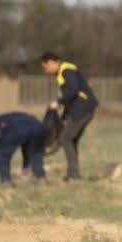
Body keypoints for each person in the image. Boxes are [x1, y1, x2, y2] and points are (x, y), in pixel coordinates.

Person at [40, 51, 99, 181]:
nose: (46, 70)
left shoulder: (67, 70)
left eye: (45, 67)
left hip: (83, 109)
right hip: (81, 109)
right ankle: (74, 174)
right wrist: (64, 116)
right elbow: (71, 96)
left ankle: (73, 175)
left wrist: (58, 102)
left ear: (52, 62)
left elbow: (74, 90)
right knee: (71, 140)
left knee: (65, 139)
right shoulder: (62, 72)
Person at [0, 112, 46, 183]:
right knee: (35, 153)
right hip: (38, 126)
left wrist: (2, 140)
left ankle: (5, 179)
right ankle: (39, 176)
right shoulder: (5, 117)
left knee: (2, 155)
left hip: (17, 129)